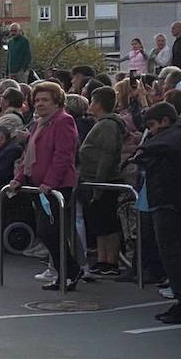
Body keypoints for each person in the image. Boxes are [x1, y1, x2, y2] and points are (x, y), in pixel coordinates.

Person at [131, 102, 181, 324]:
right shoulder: (180, 134)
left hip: (171, 201)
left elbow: (160, 147)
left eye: (153, 125)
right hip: (169, 199)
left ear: (165, 121)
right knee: (171, 253)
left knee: (172, 253)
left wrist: (145, 149)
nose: (151, 131)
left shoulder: (179, 134)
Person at [9, 81, 83, 291]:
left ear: (57, 101)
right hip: (37, 184)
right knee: (48, 231)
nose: (40, 104)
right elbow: (29, 156)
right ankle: (65, 273)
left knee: (49, 230)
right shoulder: (39, 123)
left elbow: (63, 156)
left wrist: (50, 182)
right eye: (37, 100)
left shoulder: (63, 121)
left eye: (45, 100)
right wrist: (19, 178)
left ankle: (71, 270)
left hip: (54, 187)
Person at [79, 87, 128, 278]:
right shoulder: (100, 123)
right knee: (99, 223)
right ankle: (102, 259)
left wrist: (98, 185)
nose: (90, 105)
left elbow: (106, 156)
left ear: (98, 104)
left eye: (92, 102)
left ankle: (111, 261)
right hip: (93, 179)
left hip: (104, 181)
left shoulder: (107, 125)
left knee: (108, 223)